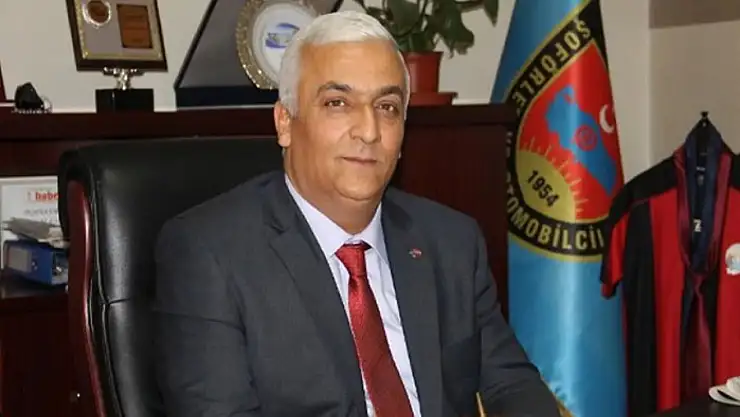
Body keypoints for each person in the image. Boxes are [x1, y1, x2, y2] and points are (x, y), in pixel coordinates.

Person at [153, 10, 560, 417]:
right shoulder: (210, 254)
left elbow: (512, 387)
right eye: (338, 103)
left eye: (387, 107)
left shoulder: (451, 242)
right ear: (285, 122)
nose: (369, 131)